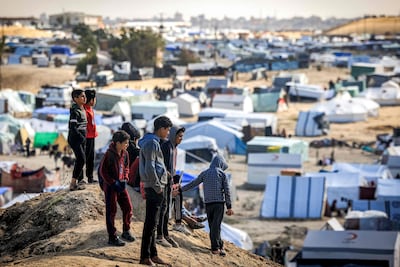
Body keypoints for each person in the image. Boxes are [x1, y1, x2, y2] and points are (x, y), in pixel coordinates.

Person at [178, 154, 234, 256]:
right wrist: (229, 207)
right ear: (221, 164)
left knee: (213, 225)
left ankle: (220, 245)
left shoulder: (205, 173)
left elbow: (193, 183)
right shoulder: (222, 174)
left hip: (208, 204)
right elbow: (227, 191)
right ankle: (215, 248)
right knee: (216, 226)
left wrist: (180, 189)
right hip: (219, 204)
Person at [138, 116, 172, 266]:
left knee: (154, 222)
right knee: (151, 223)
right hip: (154, 188)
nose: (168, 133)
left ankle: (153, 254)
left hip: (155, 185)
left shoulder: (151, 141)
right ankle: (145, 257)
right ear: (161, 129)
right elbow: (150, 168)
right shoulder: (152, 143)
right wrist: (158, 186)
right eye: (168, 130)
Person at [99, 130, 136, 246]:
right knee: (112, 211)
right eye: (125, 143)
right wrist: (112, 182)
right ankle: (112, 236)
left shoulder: (125, 154)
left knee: (128, 207)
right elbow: (102, 171)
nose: (127, 145)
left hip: (121, 184)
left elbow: (126, 167)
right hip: (110, 187)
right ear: (117, 143)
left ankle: (126, 230)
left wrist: (125, 177)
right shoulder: (109, 154)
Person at [156, 126, 186, 248]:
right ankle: (161, 235)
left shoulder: (174, 148)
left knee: (167, 209)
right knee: (163, 209)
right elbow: (163, 168)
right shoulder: (167, 147)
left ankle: (165, 233)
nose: (181, 139)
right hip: (163, 182)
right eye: (179, 136)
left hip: (169, 182)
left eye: (182, 137)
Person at [68, 89, 87, 191]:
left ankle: (81, 180)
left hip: (82, 138)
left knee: (81, 159)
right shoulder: (75, 111)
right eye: (82, 96)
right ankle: (73, 183)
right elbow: (72, 127)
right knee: (81, 159)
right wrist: (80, 136)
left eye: (84, 96)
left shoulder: (82, 109)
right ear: (75, 99)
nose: (84, 98)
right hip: (75, 138)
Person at [82, 89, 98, 184]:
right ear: (91, 100)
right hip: (86, 137)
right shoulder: (84, 110)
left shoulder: (90, 109)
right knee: (85, 158)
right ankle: (81, 178)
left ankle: (90, 177)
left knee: (91, 157)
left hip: (92, 136)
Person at [120, 122, 141, 189]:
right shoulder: (131, 145)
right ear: (134, 138)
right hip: (127, 175)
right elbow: (137, 152)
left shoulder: (120, 142)